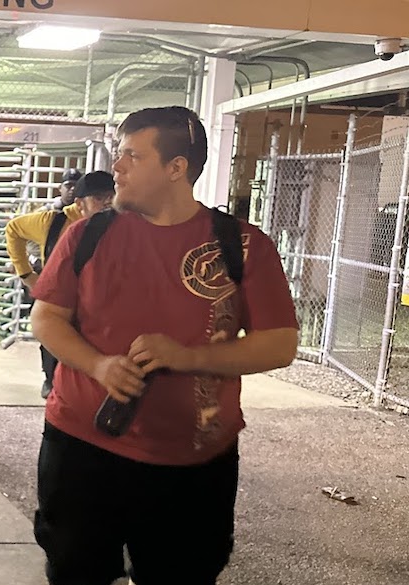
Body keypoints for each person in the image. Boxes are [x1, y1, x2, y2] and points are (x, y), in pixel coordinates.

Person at [30, 106, 298, 585]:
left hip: (194, 462)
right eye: (119, 153)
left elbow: (279, 344)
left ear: (176, 168)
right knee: (75, 571)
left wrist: (187, 357)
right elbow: (46, 318)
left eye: (132, 156)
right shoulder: (87, 235)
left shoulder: (242, 245)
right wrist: (98, 365)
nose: (117, 167)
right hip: (81, 447)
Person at [5, 171, 115, 398]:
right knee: (54, 342)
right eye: (99, 198)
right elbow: (13, 228)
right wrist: (25, 274)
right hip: (60, 298)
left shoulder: (120, 225)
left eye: (111, 196)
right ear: (79, 204)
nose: (107, 203)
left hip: (98, 301)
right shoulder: (51, 221)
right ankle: (51, 381)